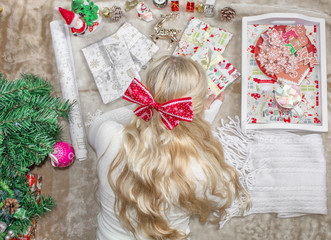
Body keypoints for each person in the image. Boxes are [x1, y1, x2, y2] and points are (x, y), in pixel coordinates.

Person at [88, 56, 249, 240]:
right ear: (194, 109)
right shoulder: (202, 168)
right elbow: (223, 198)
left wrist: (147, 112)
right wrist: (200, 122)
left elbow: (96, 126)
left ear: (145, 94)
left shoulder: (108, 134)